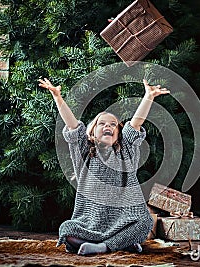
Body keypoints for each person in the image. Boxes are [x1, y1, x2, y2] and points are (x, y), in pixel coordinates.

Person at [38, 77, 170, 255]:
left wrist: (149, 97)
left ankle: (104, 246)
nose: (108, 126)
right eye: (102, 123)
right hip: (90, 221)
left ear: (118, 134)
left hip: (123, 218)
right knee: (66, 229)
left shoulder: (126, 152)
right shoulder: (84, 152)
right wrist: (58, 98)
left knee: (145, 222)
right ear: (92, 132)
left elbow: (136, 123)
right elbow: (72, 124)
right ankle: (122, 244)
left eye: (113, 124)